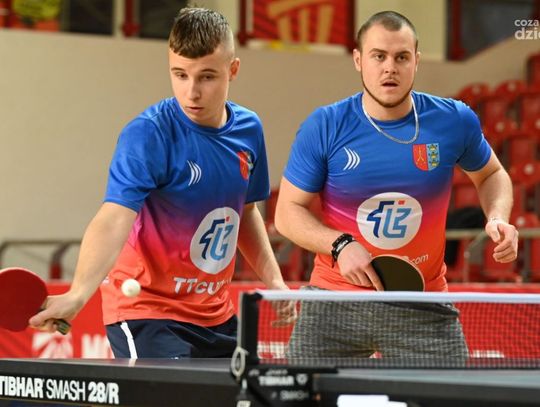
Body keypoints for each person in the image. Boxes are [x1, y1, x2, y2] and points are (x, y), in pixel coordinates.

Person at [29, 7, 293, 358]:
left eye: (207, 77)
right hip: (148, 313)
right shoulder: (148, 134)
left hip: (216, 314)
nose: (191, 92)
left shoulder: (248, 129)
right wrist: (78, 294)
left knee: (253, 386)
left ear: (233, 70)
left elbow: (245, 212)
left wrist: (274, 282)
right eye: (180, 75)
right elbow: (113, 218)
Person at [274, 11, 519, 360]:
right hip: (334, 301)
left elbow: (492, 174)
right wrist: (340, 245)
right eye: (379, 56)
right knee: (292, 388)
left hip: (421, 302)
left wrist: (497, 217)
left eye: (401, 57)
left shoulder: (453, 120)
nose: (390, 68)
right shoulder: (325, 126)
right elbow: (287, 213)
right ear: (358, 60)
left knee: (456, 390)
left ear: (416, 61)